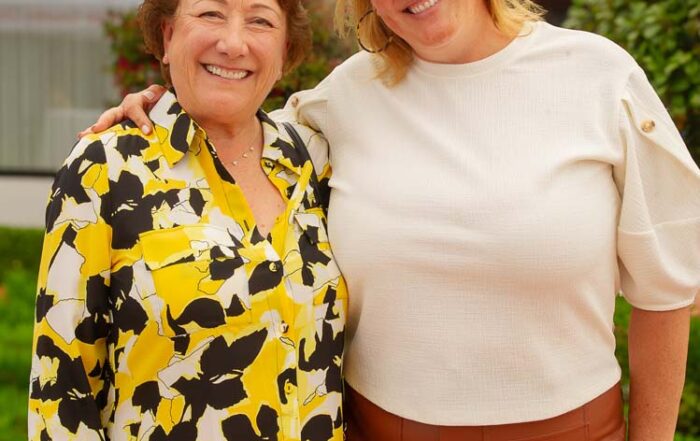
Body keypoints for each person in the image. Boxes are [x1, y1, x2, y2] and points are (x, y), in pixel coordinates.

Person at [83, 0, 700, 439]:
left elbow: (666, 291)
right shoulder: (346, 95)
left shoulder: (598, 76)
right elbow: (236, 137)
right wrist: (166, 107)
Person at [28, 0, 347, 439]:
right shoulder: (106, 168)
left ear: (284, 52)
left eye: (260, 21)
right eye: (210, 13)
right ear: (167, 36)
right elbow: (61, 387)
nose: (233, 43)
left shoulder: (310, 163)